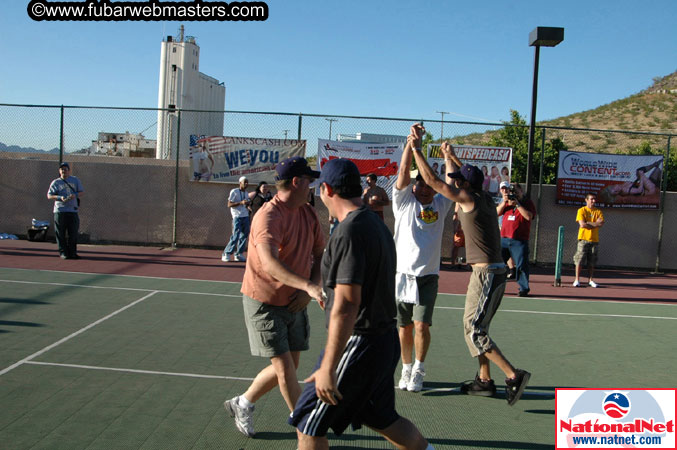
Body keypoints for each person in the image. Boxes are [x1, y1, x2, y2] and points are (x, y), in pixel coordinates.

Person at [290, 158, 432, 450]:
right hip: (382, 339)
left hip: (361, 342)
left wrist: (329, 365)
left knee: (307, 424)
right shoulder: (373, 223)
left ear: (327, 189)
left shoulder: (350, 230)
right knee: (383, 418)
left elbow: (347, 305)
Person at [410, 125, 530, 406]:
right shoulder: (484, 196)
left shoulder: (467, 198)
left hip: (487, 273)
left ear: (464, 186)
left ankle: (513, 375)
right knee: (476, 326)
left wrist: (417, 148)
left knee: (474, 329)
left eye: (458, 181)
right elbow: (463, 178)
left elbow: (433, 180)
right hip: (490, 272)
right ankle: (484, 380)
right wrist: (451, 156)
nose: (454, 183)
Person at [225, 156, 325, 437]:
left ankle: (242, 402)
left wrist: (309, 288)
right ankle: (307, 431)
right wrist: (308, 286)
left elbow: (319, 255)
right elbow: (269, 263)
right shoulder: (268, 216)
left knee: (291, 367)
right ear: (296, 182)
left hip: (295, 302)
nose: (312, 186)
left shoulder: (307, 213)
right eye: (309, 181)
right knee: (285, 371)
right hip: (265, 303)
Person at [392, 125, 453, 393]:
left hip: (427, 276)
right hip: (402, 276)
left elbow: (450, 182)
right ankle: (405, 368)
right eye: (420, 183)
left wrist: (448, 156)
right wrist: (410, 144)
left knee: (421, 325)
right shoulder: (404, 202)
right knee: (403, 328)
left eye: (428, 183)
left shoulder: (440, 204)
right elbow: (403, 172)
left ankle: (419, 369)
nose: (423, 187)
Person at [496, 182, 536, 297]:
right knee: (497, 263)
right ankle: (496, 286)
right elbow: (496, 213)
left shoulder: (527, 203)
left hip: (519, 240)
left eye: (516, 192)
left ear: (521, 192)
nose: (514, 194)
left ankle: (523, 288)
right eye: (512, 192)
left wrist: (517, 204)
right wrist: (504, 201)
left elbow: (529, 216)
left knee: (521, 265)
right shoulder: (507, 202)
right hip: (503, 238)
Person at [46, 162, 84, 259]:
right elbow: (49, 195)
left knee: (73, 233)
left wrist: (74, 195)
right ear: (59, 171)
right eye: (62, 169)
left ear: (69, 171)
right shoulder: (56, 182)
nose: (64, 171)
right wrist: (60, 197)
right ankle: (63, 252)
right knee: (60, 233)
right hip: (60, 210)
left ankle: (72, 252)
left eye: (65, 169)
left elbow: (81, 192)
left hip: (72, 210)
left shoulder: (75, 180)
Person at [573, 193, 604, 288]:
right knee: (579, 260)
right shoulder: (581, 210)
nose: (593, 201)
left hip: (594, 240)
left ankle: (591, 280)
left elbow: (601, 223)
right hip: (583, 239)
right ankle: (577, 280)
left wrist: (589, 223)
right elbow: (582, 224)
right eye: (591, 199)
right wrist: (594, 224)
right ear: (586, 200)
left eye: (594, 199)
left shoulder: (598, 211)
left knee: (592, 261)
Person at [222, 176, 251, 262]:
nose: (246, 184)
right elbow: (229, 204)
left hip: (245, 216)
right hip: (237, 216)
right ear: (240, 183)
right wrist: (240, 202)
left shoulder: (246, 193)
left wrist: (248, 206)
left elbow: (245, 204)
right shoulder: (234, 191)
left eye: (247, 182)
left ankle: (238, 254)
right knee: (235, 235)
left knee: (244, 235)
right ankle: (226, 253)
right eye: (244, 182)